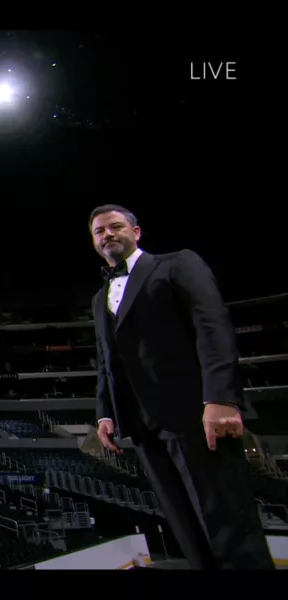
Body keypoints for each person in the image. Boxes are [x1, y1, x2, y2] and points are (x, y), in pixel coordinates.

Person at [88, 204, 274, 570]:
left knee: (228, 524)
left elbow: (213, 328)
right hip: (143, 426)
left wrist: (220, 398)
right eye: (99, 231)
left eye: (115, 227)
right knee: (187, 527)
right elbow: (107, 361)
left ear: (136, 232)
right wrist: (105, 412)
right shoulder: (99, 298)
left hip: (196, 413)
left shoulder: (177, 264)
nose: (107, 235)